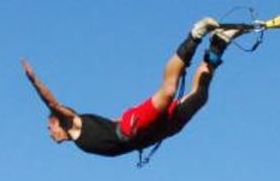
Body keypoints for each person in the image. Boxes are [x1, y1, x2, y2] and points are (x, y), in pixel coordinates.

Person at [22, 18, 242, 158]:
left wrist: (34, 82)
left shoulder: (72, 123)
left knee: (167, 92)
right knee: (200, 97)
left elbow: (51, 102)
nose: (50, 135)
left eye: (49, 129)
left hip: (132, 127)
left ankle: (194, 36)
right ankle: (217, 45)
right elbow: (108, 125)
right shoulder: (79, 137)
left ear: (56, 121)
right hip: (151, 134)